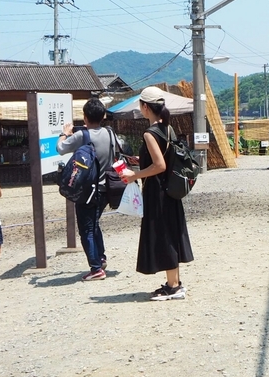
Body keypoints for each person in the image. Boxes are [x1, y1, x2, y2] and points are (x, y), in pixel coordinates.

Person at [121, 88, 194, 301]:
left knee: (164, 237)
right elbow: (163, 158)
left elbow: (159, 165)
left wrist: (134, 176)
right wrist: (141, 160)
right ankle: (175, 283)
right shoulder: (167, 128)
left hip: (158, 192)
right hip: (171, 191)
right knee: (171, 234)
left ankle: (173, 287)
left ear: (145, 106)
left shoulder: (149, 132)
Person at [56, 98, 122, 281]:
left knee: (86, 229)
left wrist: (64, 133)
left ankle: (96, 269)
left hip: (87, 192)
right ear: (103, 116)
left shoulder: (82, 136)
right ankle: (100, 258)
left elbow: (60, 148)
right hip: (106, 188)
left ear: (85, 117)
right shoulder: (110, 133)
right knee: (94, 224)